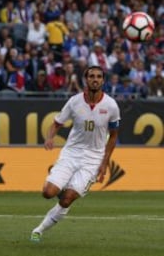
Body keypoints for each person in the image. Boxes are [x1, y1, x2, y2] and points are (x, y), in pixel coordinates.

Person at [30, 65, 120, 242]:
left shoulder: (111, 105)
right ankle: (65, 188)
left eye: (98, 76)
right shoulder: (74, 102)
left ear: (103, 80)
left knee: (66, 200)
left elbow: (113, 136)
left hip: (93, 159)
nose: (95, 79)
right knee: (48, 192)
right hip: (71, 153)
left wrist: (104, 162)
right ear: (86, 80)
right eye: (91, 76)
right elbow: (56, 123)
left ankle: (39, 230)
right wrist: (49, 138)